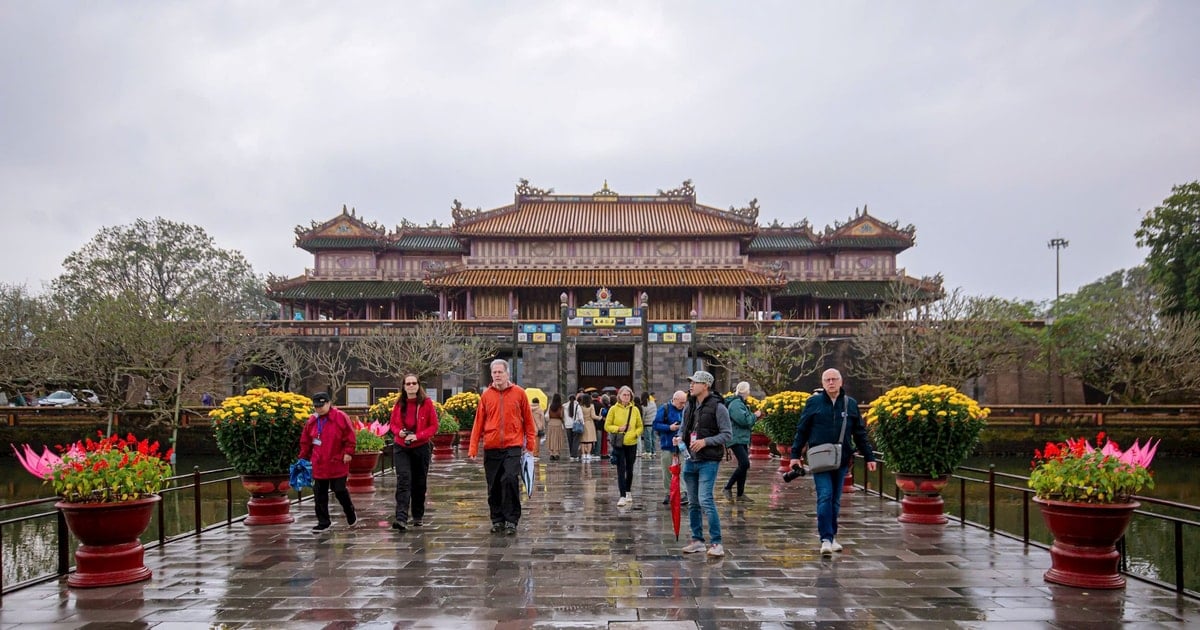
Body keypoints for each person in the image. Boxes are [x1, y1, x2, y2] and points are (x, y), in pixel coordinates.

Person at [790, 368, 878, 556]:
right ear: (822, 383)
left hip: (842, 458)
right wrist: (795, 455)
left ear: (841, 382)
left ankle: (832, 536)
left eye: (834, 379)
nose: (831, 382)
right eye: (827, 380)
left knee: (836, 500)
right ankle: (825, 538)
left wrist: (870, 456)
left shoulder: (850, 404)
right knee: (825, 495)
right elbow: (802, 429)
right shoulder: (813, 403)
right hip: (820, 458)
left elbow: (860, 433)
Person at [468, 359, 538, 535]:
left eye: (500, 372)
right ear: (491, 375)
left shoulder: (519, 393)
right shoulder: (486, 396)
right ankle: (497, 519)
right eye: (494, 372)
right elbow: (478, 423)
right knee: (493, 485)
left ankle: (511, 519)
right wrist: (473, 447)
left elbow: (529, 421)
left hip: (513, 446)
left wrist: (530, 444)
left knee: (509, 479)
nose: (497, 375)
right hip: (491, 446)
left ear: (508, 374)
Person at [675, 370, 732, 557]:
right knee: (692, 502)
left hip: (708, 459)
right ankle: (697, 540)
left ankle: (716, 543)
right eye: (690, 382)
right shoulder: (689, 406)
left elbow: (727, 434)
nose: (691, 385)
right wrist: (679, 439)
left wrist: (705, 441)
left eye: (695, 382)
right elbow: (684, 428)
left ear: (705, 386)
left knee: (705, 499)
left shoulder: (718, 407)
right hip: (690, 459)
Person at [298, 392, 357, 532]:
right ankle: (323, 521)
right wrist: (303, 458)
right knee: (319, 493)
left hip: (337, 460)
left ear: (329, 403)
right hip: (318, 462)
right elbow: (306, 442)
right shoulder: (312, 421)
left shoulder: (340, 417)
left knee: (339, 490)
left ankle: (350, 511)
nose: (319, 408)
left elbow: (350, 435)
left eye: (322, 405)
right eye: (316, 406)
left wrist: (348, 451)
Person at [389, 373, 438, 530]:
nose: (411, 386)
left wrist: (418, 436)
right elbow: (393, 425)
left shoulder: (426, 403)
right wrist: (400, 433)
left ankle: (417, 515)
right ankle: (401, 517)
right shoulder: (399, 404)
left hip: (421, 447)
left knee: (419, 482)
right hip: (402, 447)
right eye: (408, 384)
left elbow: (433, 426)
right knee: (404, 479)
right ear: (403, 386)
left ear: (418, 385)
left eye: (413, 383)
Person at [722, 381, 761, 502]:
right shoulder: (736, 404)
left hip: (741, 438)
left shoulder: (739, 403)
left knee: (742, 466)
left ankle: (740, 494)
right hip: (736, 438)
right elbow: (745, 421)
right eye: (749, 390)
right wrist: (755, 415)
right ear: (745, 391)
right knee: (745, 463)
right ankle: (727, 487)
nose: (749, 392)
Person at [605, 385, 644, 507]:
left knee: (630, 469)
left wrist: (636, 434)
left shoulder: (635, 409)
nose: (626, 397)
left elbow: (640, 426)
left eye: (628, 395)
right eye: (624, 395)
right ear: (619, 396)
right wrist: (618, 429)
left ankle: (628, 491)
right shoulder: (613, 409)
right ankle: (622, 495)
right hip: (619, 443)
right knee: (621, 469)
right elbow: (607, 426)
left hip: (631, 442)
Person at [653, 390, 688, 505]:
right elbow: (655, 425)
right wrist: (669, 427)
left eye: (684, 403)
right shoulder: (664, 409)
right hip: (667, 445)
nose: (683, 405)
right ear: (675, 399)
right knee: (667, 471)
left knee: (683, 469)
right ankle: (669, 492)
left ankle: (683, 492)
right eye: (681, 403)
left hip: (682, 445)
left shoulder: (686, 410)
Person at [545, 393, 567, 461]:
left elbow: (547, 414)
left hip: (551, 423)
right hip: (558, 423)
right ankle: (556, 453)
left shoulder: (550, 406)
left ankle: (551, 453)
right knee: (557, 438)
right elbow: (562, 416)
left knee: (551, 438)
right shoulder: (561, 407)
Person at [579, 393, 598, 461]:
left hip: (582, 423)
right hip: (590, 424)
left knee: (583, 440)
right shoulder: (591, 406)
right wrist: (599, 417)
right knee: (590, 440)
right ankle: (588, 454)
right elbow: (593, 416)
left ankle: (583, 454)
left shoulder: (580, 406)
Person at [564, 393, 583, 461]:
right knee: (576, 441)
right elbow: (580, 417)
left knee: (570, 441)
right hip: (576, 425)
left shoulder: (565, 406)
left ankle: (571, 454)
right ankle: (574, 455)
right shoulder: (577, 406)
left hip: (567, 425)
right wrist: (582, 423)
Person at [641, 393, 658, 457]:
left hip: (647, 423)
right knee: (653, 438)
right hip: (653, 423)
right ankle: (653, 451)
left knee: (648, 438)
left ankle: (648, 451)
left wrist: (641, 423)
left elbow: (643, 416)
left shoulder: (644, 405)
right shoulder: (653, 403)